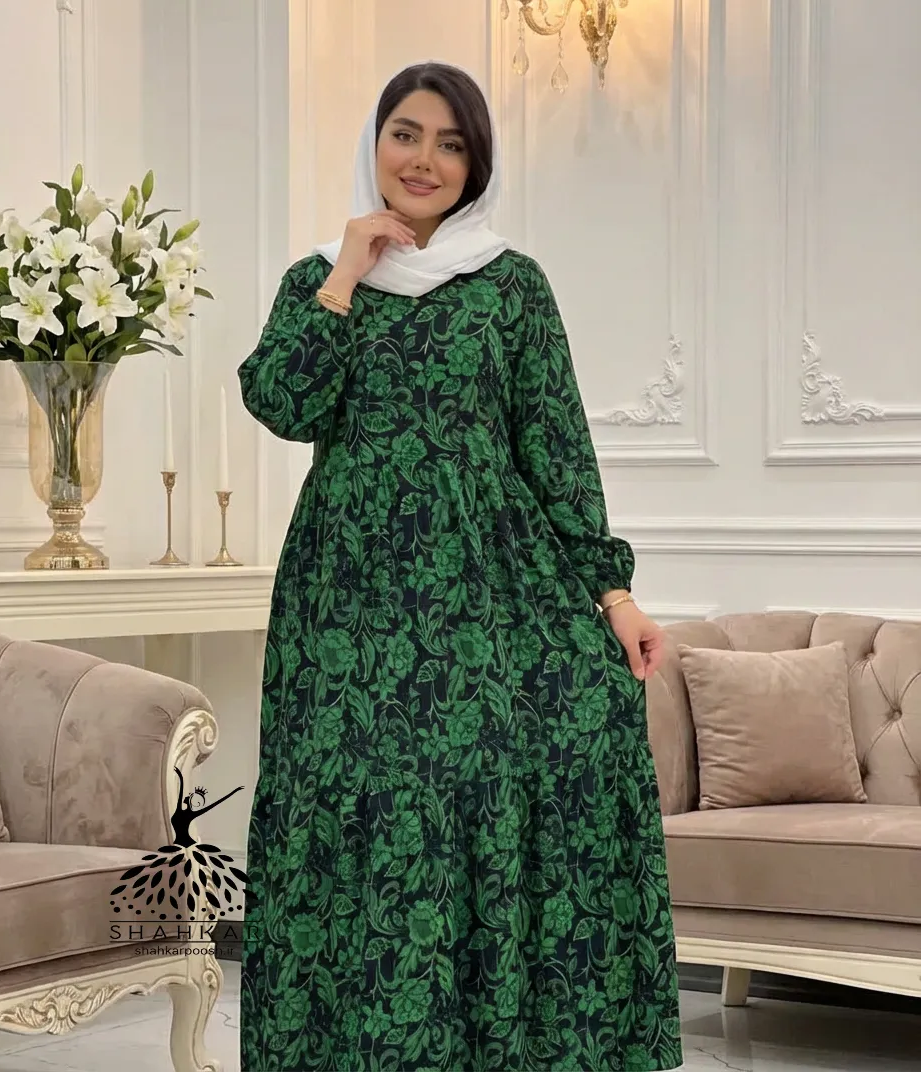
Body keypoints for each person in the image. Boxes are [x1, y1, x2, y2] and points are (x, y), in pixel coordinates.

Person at [238, 61, 683, 1072]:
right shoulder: (318, 278)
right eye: (405, 133)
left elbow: (554, 448)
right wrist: (345, 276)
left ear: (475, 163)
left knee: (531, 763)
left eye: (450, 143)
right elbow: (282, 405)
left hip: (490, 591)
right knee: (358, 799)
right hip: (350, 598)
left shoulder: (511, 285)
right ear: (374, 142)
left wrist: (612, 592)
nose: (424, 160)